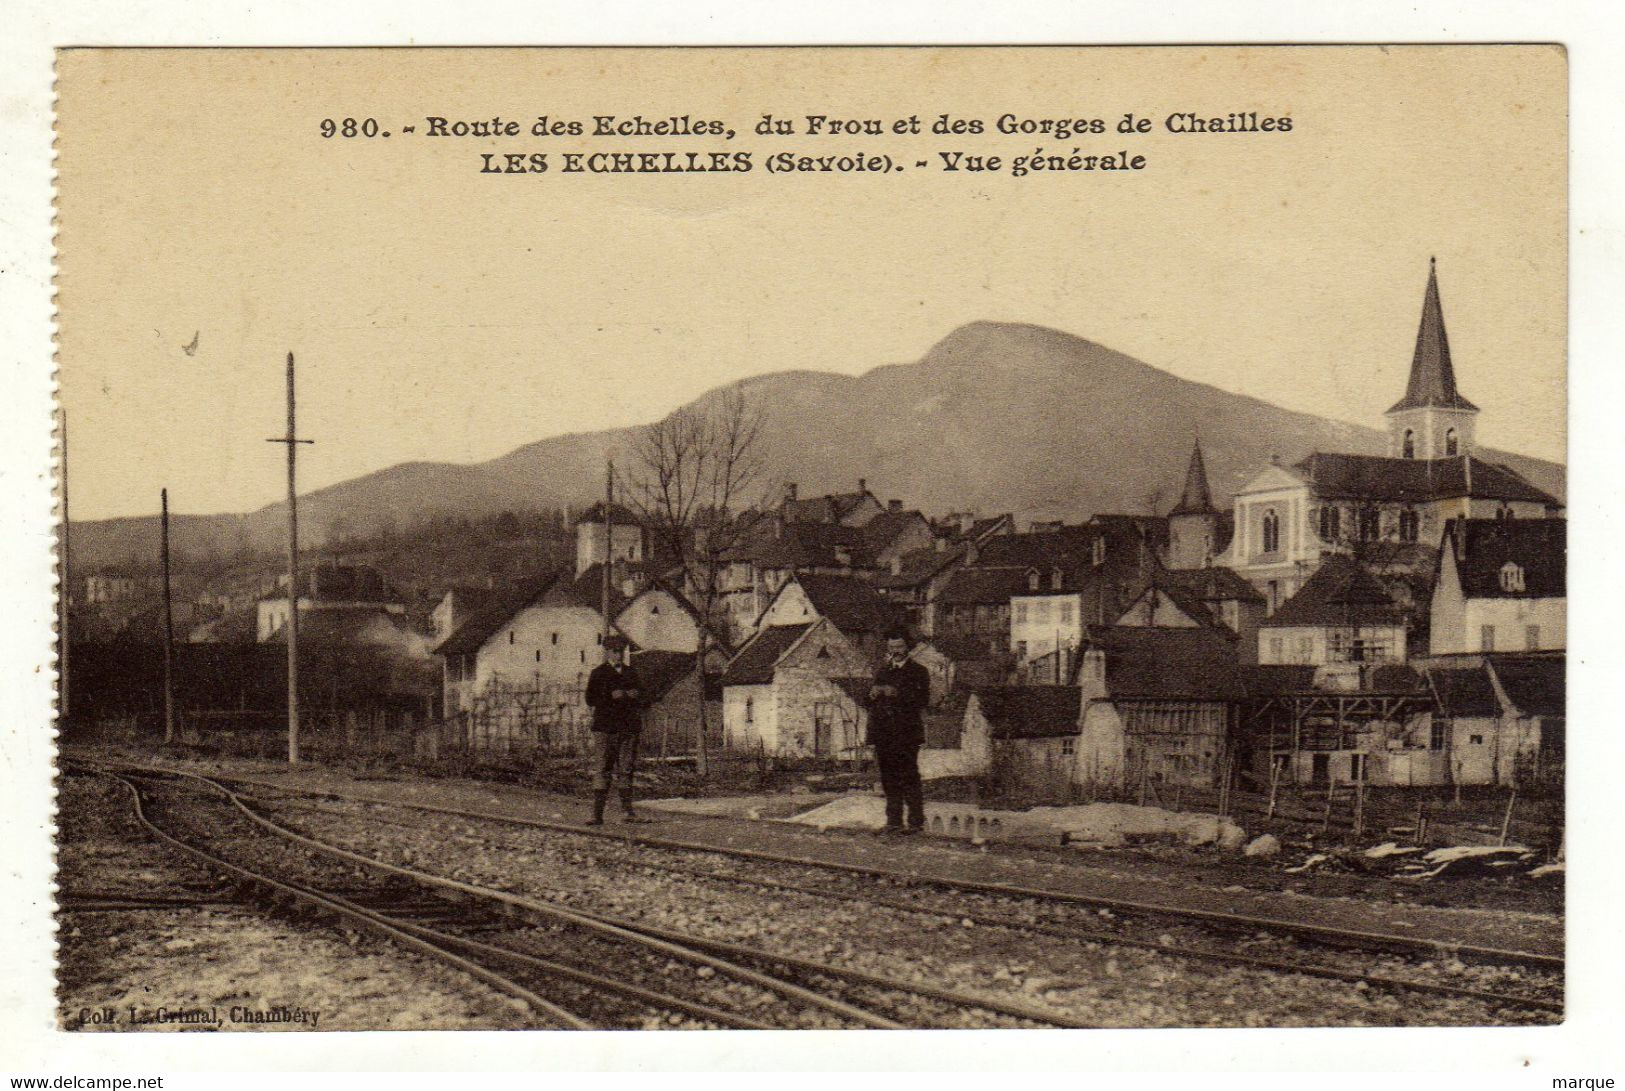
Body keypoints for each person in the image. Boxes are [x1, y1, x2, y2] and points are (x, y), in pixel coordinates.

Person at [866, 628, 932, 834]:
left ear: (908, 647)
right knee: (888, 777)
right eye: (892, 647)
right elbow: (867, 702)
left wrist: (896, 693)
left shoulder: (919, 671)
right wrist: (872, 694)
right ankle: (893, 821)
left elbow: (923, 700)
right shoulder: (882, 671)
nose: (896, 651)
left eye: (900, 646)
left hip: (906, 733)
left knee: (909, 775)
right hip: (884, 733)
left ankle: (915, 822)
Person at [583, 633, 646, 825]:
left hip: (628, 728)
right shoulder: (598, 673)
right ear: (608, 652)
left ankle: (628, 812)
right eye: (615, 651)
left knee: (626, 769)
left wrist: (636, 695)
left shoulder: (631, 673)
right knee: (603, 768)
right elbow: (590, 699)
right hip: (605, 728)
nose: (619, 655)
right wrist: (611, 696)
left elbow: (645, 697)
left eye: (622, 652)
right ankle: (597, 814)